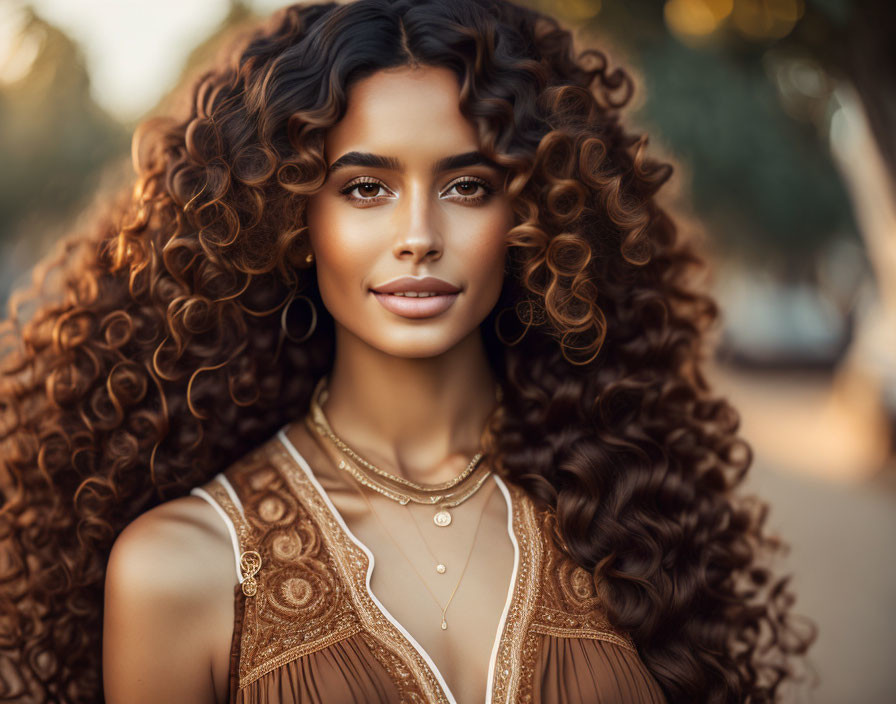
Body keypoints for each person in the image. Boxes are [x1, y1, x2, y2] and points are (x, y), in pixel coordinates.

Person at [0, 0, 817, 702]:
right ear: (290, 219)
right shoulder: (179, 570)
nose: (419, 236)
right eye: (366, 188)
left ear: (537, 218)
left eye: (468, 186)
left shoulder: (625, 513)